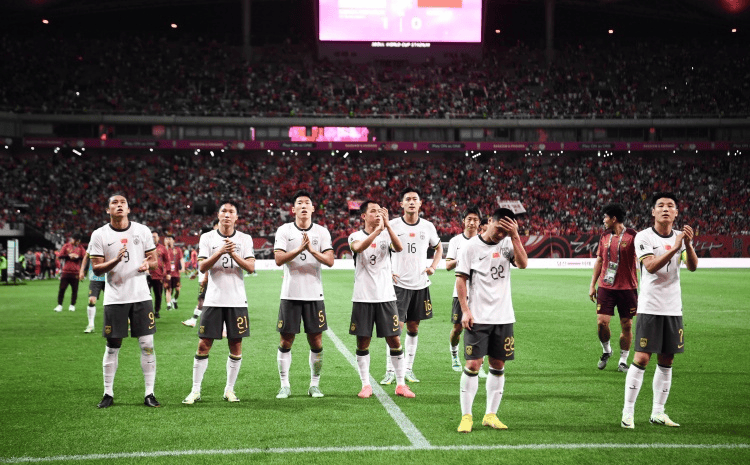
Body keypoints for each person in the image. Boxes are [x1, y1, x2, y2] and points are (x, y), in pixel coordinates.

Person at [621, 192, 698, 429]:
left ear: (676, 212)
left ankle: (658, 412)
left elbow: (693, 266)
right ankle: (628, 413)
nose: (666, 209)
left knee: (667, 359)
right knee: (642, 358)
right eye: (661, 205)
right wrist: (675, 248)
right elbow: (651, 266)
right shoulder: (643, 237)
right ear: (653, 212)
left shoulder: (680, 237)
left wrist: (687, 245)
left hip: (673, 308)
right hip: (650, 307)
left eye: (670, 205)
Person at [455, 207, 528, 433]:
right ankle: (466, 416)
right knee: (473, 364)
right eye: (499, 229)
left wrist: (515, 236)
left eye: (506, 230)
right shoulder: (470, 247)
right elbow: (461, 280)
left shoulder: (508, 243)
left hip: (503, 316)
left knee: (498, 365)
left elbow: (523, 264)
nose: (501, 234)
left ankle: (490, 415)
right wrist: (465, 310)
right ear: (489, 222)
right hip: (478, 316)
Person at [87, 193, 159, 409]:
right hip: (115, 298)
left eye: (123, 203)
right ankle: (108, 393)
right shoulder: (99, 234)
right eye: (114, 203)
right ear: (107, 210)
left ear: (128, 209)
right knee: (112, 346)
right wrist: (115, 260)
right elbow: (96, 268)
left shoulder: (142, 231)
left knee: (147, 344)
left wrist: (148, 265)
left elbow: (154, 261)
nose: (119, 206)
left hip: (141, 296)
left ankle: (149, 393)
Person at [182, 200, 256, 405]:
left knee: (236, 345)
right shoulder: (207, 237)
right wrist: (220, 251)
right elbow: (202, 266)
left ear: (236, 217)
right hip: (213, 300)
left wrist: (233, 254)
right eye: (224, 211)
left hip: (237, 301)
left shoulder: (245, 239)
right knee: (203, 344)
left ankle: (229, 390)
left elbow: (250, 267)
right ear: (218, 215)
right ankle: (195, 390)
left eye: (231, 211)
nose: (227, 214)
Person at [348, 200, 414, 399]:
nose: (377, 214)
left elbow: (399, 247)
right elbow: (359, 248)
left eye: (380, 211)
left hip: (386, 296)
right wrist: (377, 231)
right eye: (373, 211)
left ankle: (401, 384)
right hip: (363, 297)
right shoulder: (355, 236)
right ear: (363, 216)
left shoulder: (386, 234)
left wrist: (387, 227)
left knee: (394, 339)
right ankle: (366, 385)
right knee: (363, 342)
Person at [273, 190, 334, 399]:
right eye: (299, 203)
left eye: (307, 202)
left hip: (314, 295)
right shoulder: (284, 230)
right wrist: (300, 249)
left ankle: (314, 385)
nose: (304, 206)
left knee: (316, 341)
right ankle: (284, 385)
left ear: (313, 208)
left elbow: (330, 260)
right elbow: (278, 259)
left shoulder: (322, 232)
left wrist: (312, 251)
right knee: (286, 341)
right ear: (293, 209)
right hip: (290, 294)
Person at [381, 187, 442, 385]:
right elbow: (382, 249)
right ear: (401, 204)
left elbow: (439, 247)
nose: (412, 202)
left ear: (420, 203)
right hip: (398, 285)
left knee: (414, 327)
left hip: (420, 284)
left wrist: (433, 266)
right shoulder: (392, 225)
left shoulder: (428, 226)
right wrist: (388, 271)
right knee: (395, 328)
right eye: (407, 199)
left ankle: (408, 369)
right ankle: (390, 370)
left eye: (415, 199)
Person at [588, 203, 639, 372]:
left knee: (627, 325)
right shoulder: (604, 236)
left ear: (614, 218)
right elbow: (600, 260)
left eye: (605, 217)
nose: (604, 220)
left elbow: (643, 259)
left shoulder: (633, 236)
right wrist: (592, 285)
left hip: (627, 288)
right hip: (606, 286)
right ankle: (607, 350)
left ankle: (623, 361)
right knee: (602, 323)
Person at [446, 206, 484, 374]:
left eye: (475, 219)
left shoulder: (484, 241)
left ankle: (479, 364)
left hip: (480, 292)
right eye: (469, 219)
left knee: (480, 329)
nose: (472, 222)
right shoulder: (455, 241)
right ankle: (454, 354)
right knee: (457, 328)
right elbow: (448, 265)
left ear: (479, 223)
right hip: (460, 292)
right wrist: (462, 257)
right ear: (463, 221)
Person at [182, 221, 219, 328]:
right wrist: (196, 273)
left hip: (206, 277)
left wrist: (205, 277)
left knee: (202, 299)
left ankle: (194, 320)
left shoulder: (208, 244)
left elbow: (208, 263)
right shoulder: (208, 244)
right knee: (208, 299)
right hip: (205, 276)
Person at [53, 236, 86, 312]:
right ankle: (59, 305)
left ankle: (72, 305)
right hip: (66, 271)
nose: (77, 242)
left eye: (78, 240)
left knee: (74, 290)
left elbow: (85, 257)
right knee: (62, 289)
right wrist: (68, 256)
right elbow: (60, 256)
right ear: (73, 239)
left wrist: (77, 257)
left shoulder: (80, 247)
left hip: (76, 272)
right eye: (75, 240)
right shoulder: (66, 246)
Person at [79, 250, 106, 333]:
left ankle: (125, 323)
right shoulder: (93, 243)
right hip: (95, 277)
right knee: (91, 300)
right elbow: (86, 256)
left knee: (115, 301)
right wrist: (82, 271)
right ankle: (91, 325)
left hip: (110, 277)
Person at [147, 231, 171, 319]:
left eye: (155, 236)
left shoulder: (162, 248)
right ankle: (147, 311)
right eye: (152, 237)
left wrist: (168, 272)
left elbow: (167, 261)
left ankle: (156, 311)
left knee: (158, 295)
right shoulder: (146, 247)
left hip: (158, 275)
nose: (153, 238)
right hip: (147, 275)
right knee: (146, 295)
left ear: (158, 238)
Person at [165, 234, 184, 310]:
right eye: (167, 239)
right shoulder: (165, 249)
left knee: (177, 289)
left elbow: (181, 259)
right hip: (168, 273)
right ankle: (168, 305)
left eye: (170, 239)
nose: (169, 240)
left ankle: (174, 300)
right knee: (168, 289)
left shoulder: (178, 249)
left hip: (176, 273)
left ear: (173, 240)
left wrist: (183, 267)